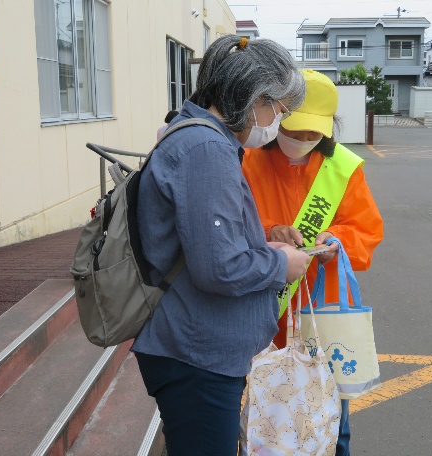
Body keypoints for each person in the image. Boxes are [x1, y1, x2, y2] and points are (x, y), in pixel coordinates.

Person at [132, 35, 310, 455]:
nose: (277, 121)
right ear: (254, 98)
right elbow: (218, 267)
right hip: (198, 356)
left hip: (198, 349)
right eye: (280, 109)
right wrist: (279, 264)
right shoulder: (206, 149)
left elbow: (203, 239)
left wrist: (263, 240)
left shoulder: (199, 139)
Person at [242, 69, 384, 456]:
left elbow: (366, 231)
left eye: (314, 134)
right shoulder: (246, 158)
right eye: (296, 131)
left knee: (331, 416)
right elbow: (226, 226)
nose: (303, 141)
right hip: (260, 307)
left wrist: (336, 240)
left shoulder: (343, 167)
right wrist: (270, 231)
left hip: (321, 314)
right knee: (264, 417)